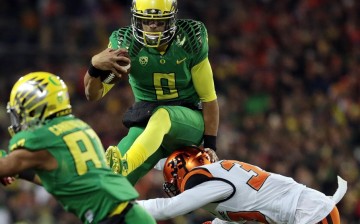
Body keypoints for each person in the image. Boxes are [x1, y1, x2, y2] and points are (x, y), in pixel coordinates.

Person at [83, 0, 219, 185]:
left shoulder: (189, 40)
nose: (153, 27)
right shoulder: (126, 46)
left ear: (171, 20)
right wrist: (94, 67)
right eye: (147, 21)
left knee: (162, 115)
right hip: (147, 127)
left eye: (160, 22)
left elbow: (208, 98)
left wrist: (210, 146)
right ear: (136, 20)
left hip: (188, 122)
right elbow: (94, 94)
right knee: (109, 184)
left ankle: (126, 164)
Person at [1, 72, 156, 224]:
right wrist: (19, 171)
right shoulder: (78, 126)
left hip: (116, 217)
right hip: (128, 214)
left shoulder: (42, 138)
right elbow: (61, 180)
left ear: (34, 109)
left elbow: (6, 166)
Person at [137, 146, 347, 224]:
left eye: (173, 178)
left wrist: (124, 206)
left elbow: (168, 209)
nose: (173, 185)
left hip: (312, 215)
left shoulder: (213, 183)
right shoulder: (218, 176)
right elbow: (241, 206)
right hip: (309, 212)